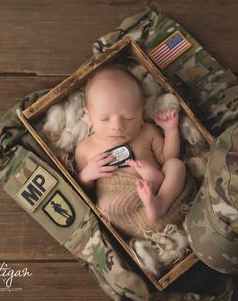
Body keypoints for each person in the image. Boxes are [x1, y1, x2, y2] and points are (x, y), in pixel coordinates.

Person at [74, 65, 186, 223]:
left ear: (142, 114)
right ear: (89, 117)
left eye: (128, 118)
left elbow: (168, 157)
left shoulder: (147, 132)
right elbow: (84, 189)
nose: (117, 126)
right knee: (105, 205)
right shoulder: (85, 149)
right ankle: (154, 187)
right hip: (121, 209)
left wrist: (171, 130)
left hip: (159, 196)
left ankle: (160, 203)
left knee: (176, 165)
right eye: (105, 119)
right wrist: (87, 174)